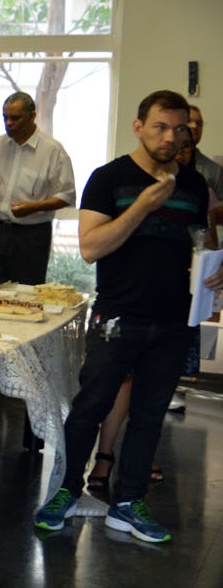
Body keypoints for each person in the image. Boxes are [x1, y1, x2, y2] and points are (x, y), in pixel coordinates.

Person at [36, 90, 219, 543]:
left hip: (174, 320)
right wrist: (143, 205)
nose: (171, 137)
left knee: (150, 415)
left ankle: (128, 502)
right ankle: (64, 491)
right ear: (139, 127)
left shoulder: (194, 186)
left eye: (180, 128)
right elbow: (90, 247)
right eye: (160, 126)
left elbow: (207, 242)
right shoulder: (109, 178)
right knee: (88, 409)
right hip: (118, 317)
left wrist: (216, 270)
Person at [0, 91, 76, 285]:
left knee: (26, 296)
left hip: (31, 235)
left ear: (32, 116)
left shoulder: (52, 151)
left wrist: (34, 207)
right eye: (5, 117)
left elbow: (67, 195)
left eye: (15, 118)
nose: (9, 123)